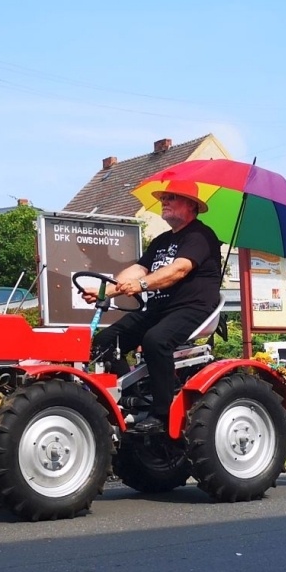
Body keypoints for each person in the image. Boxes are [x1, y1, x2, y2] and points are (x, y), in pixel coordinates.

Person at [82, 183, 223, 434]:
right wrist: (106, 290)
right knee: (105, 341)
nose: (164, 201)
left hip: (193, 307)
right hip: (160, 308)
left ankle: (162, 414)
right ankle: (132, 397)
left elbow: (179, 269)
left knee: (156, 341)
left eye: (172, 197)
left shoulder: (201, 236)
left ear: (191, 205)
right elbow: (139, 269)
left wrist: (142, 285)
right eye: (163, 198)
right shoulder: (161, 240)